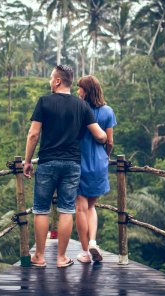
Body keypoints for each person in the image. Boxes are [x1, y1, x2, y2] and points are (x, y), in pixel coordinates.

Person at [23, 65, 107, 268]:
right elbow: (99, 135)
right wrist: (106, 138)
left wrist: (27, 161)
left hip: (47, 162)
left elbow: (33, 134)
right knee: (67, 209)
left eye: (52, 78)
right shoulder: (82, 106)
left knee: (41, 210)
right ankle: (61, 258)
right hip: (72, 164)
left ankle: (40, 257)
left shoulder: (44, 101)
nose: (50, 81)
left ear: (58, 81)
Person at [75, 75, 117, 263]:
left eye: (80, 88)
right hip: (100, 163)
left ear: (87, 90)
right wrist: (105, 157)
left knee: (80, 208)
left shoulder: (78, 110)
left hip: (79, 162)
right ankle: (93, 241)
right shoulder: (108, 111)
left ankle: (85, 252)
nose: (78, 91)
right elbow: (110, 142)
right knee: (91, 207)